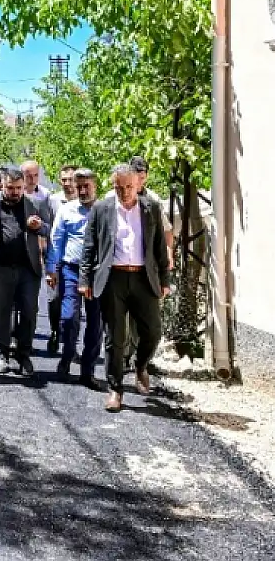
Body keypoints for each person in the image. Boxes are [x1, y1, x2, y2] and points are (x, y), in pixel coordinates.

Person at [79, 163, 171, 412]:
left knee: (152, 331)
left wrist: (165, 279)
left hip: (143, 278)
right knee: (115, 337)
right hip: (114, 279)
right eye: (120, 187)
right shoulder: (101, 209)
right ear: (113, 186)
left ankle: (141, 365)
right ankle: (115, 389)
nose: (125, 192)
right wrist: (85, 280)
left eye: (129, 187)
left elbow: (160, 247)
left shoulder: (150, 208)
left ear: (138, 184)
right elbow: (89, 247)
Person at [0, 167, 47, 375]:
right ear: (2, 185)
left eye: (19, 188)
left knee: (28, 312)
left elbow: (49, 229)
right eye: (10, 188)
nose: (15, 192)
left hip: (28, 268)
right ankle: (2, 355)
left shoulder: (35, 204)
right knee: (2, 312)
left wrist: (38, 226)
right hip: (0, 267)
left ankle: (24, 355)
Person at [46, 168, 104, 389]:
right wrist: (52, 268)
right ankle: (67, 355)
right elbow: (57, 239)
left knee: (94, 322)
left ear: (95, 185)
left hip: (97, 273)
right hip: (70, 270)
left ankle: (87, 371)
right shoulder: (67, 210)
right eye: (78, 186)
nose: (81, 190)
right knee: (69, 317)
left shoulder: (104, 210)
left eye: (86, 186)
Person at [43, 164, 79, 354]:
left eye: (71, 179)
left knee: (72, 303)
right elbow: (46, 227)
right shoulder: (53, 200)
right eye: (64, 180)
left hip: (75, 260)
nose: (67, 183)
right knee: (54, 298)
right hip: (56, 256)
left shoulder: (86, 201)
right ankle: (55, 330)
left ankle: (70, 342)